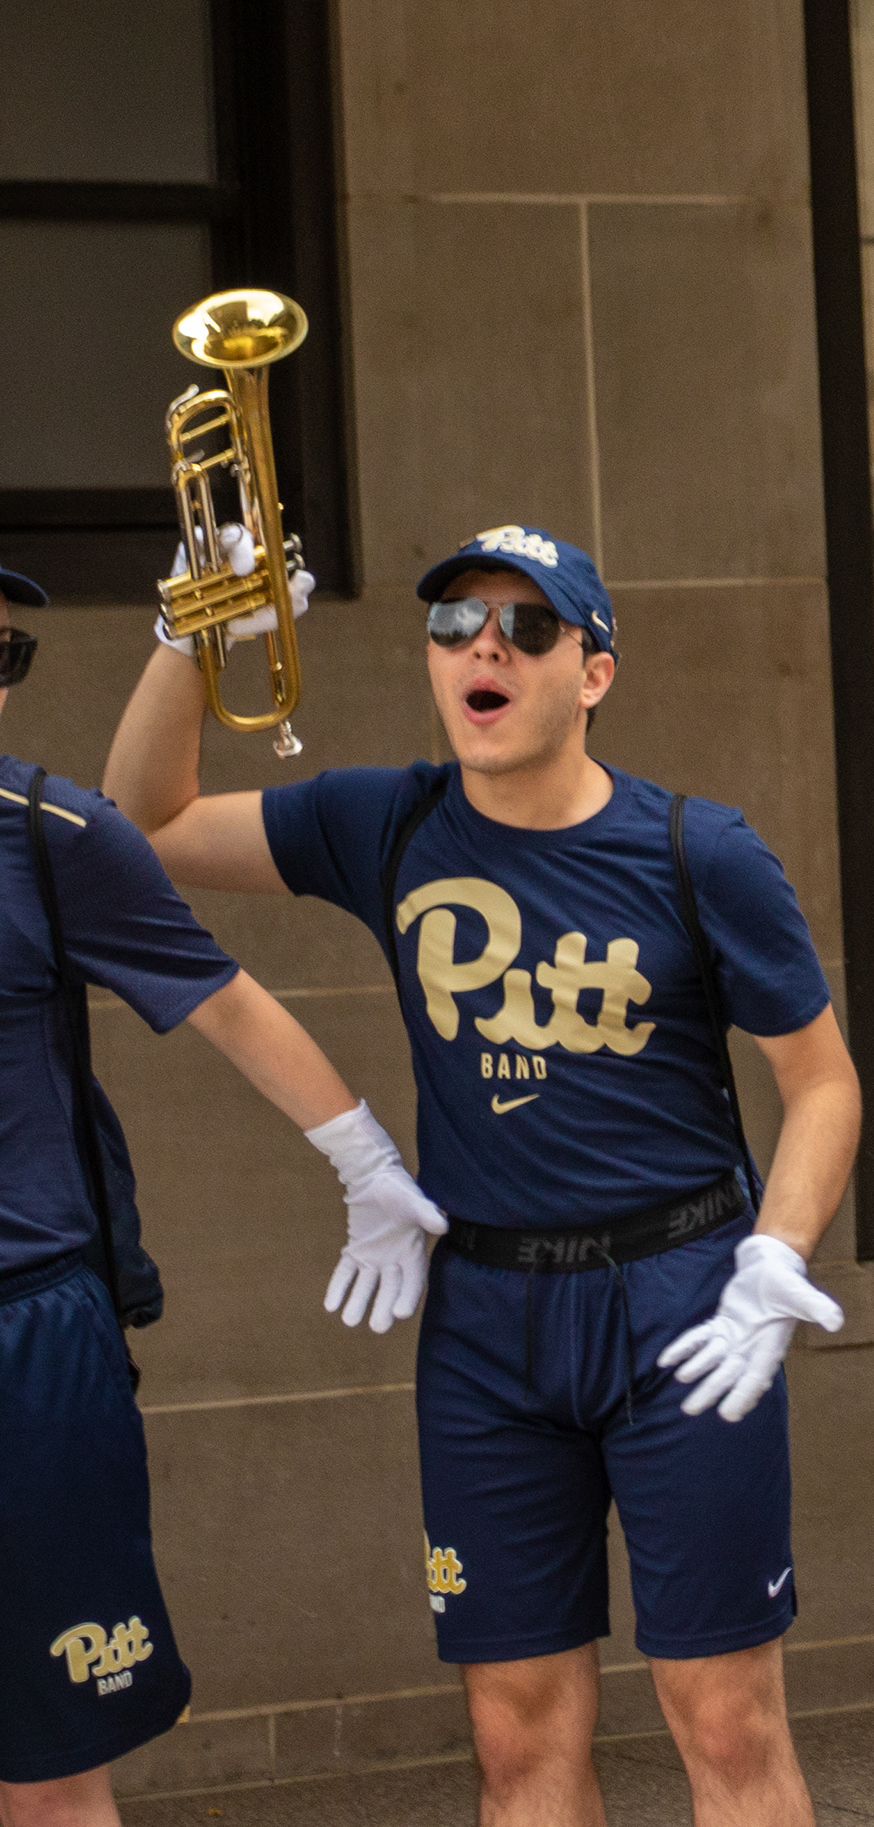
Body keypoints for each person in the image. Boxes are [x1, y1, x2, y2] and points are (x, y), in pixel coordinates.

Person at [106, 527, 859, 1827]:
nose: (484, 647)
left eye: (525, 625)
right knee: (515, 1740)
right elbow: (145, 824)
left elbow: (824, 1083)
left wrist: (775, 1259)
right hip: (488, 1329)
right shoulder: (384, 820)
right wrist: (188, 637)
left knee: (723, 1719)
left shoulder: (699, 850)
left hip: (682, 1307)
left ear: (595, 670)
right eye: (455, 625)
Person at [2, 562, 442, 1827]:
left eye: (4, 662)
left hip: (29, 1340)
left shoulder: (49, 834)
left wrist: (365, 1163)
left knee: (51, 1769)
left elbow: (228, 1000)